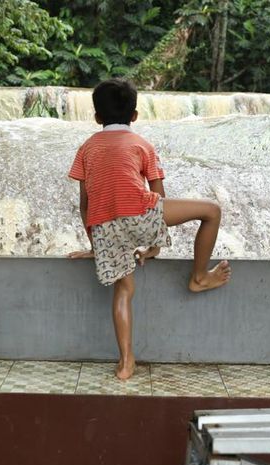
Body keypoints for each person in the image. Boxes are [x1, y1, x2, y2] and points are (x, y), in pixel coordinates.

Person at [67, 78, 231, 380]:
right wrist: (153, 244)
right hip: (143, 216)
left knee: (125, 290)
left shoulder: (86, 149)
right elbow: (159, 198)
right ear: (135, 115)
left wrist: (96, 247)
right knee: (211, 211)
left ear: (97, 118)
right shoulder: (142, 145)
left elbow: (86, 205)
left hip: (105, 229)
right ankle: (198, 277)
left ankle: (126, 363)